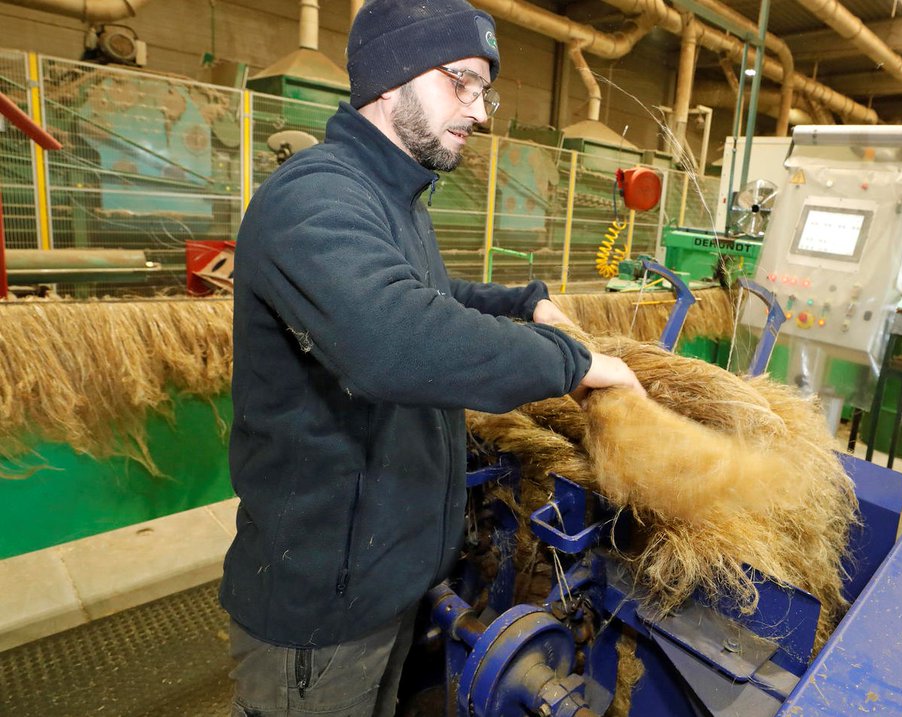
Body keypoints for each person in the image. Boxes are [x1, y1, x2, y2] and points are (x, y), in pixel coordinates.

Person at [220, 1, 645, 714]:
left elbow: (434, 296)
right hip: (323, 609)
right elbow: (396, 339)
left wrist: (526, 305)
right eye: (462, 83)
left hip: (387, 584)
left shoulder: (397, 199)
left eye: (485, 91)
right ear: (391, 79)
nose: (479, 111)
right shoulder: (315, 197)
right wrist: (574, 363)